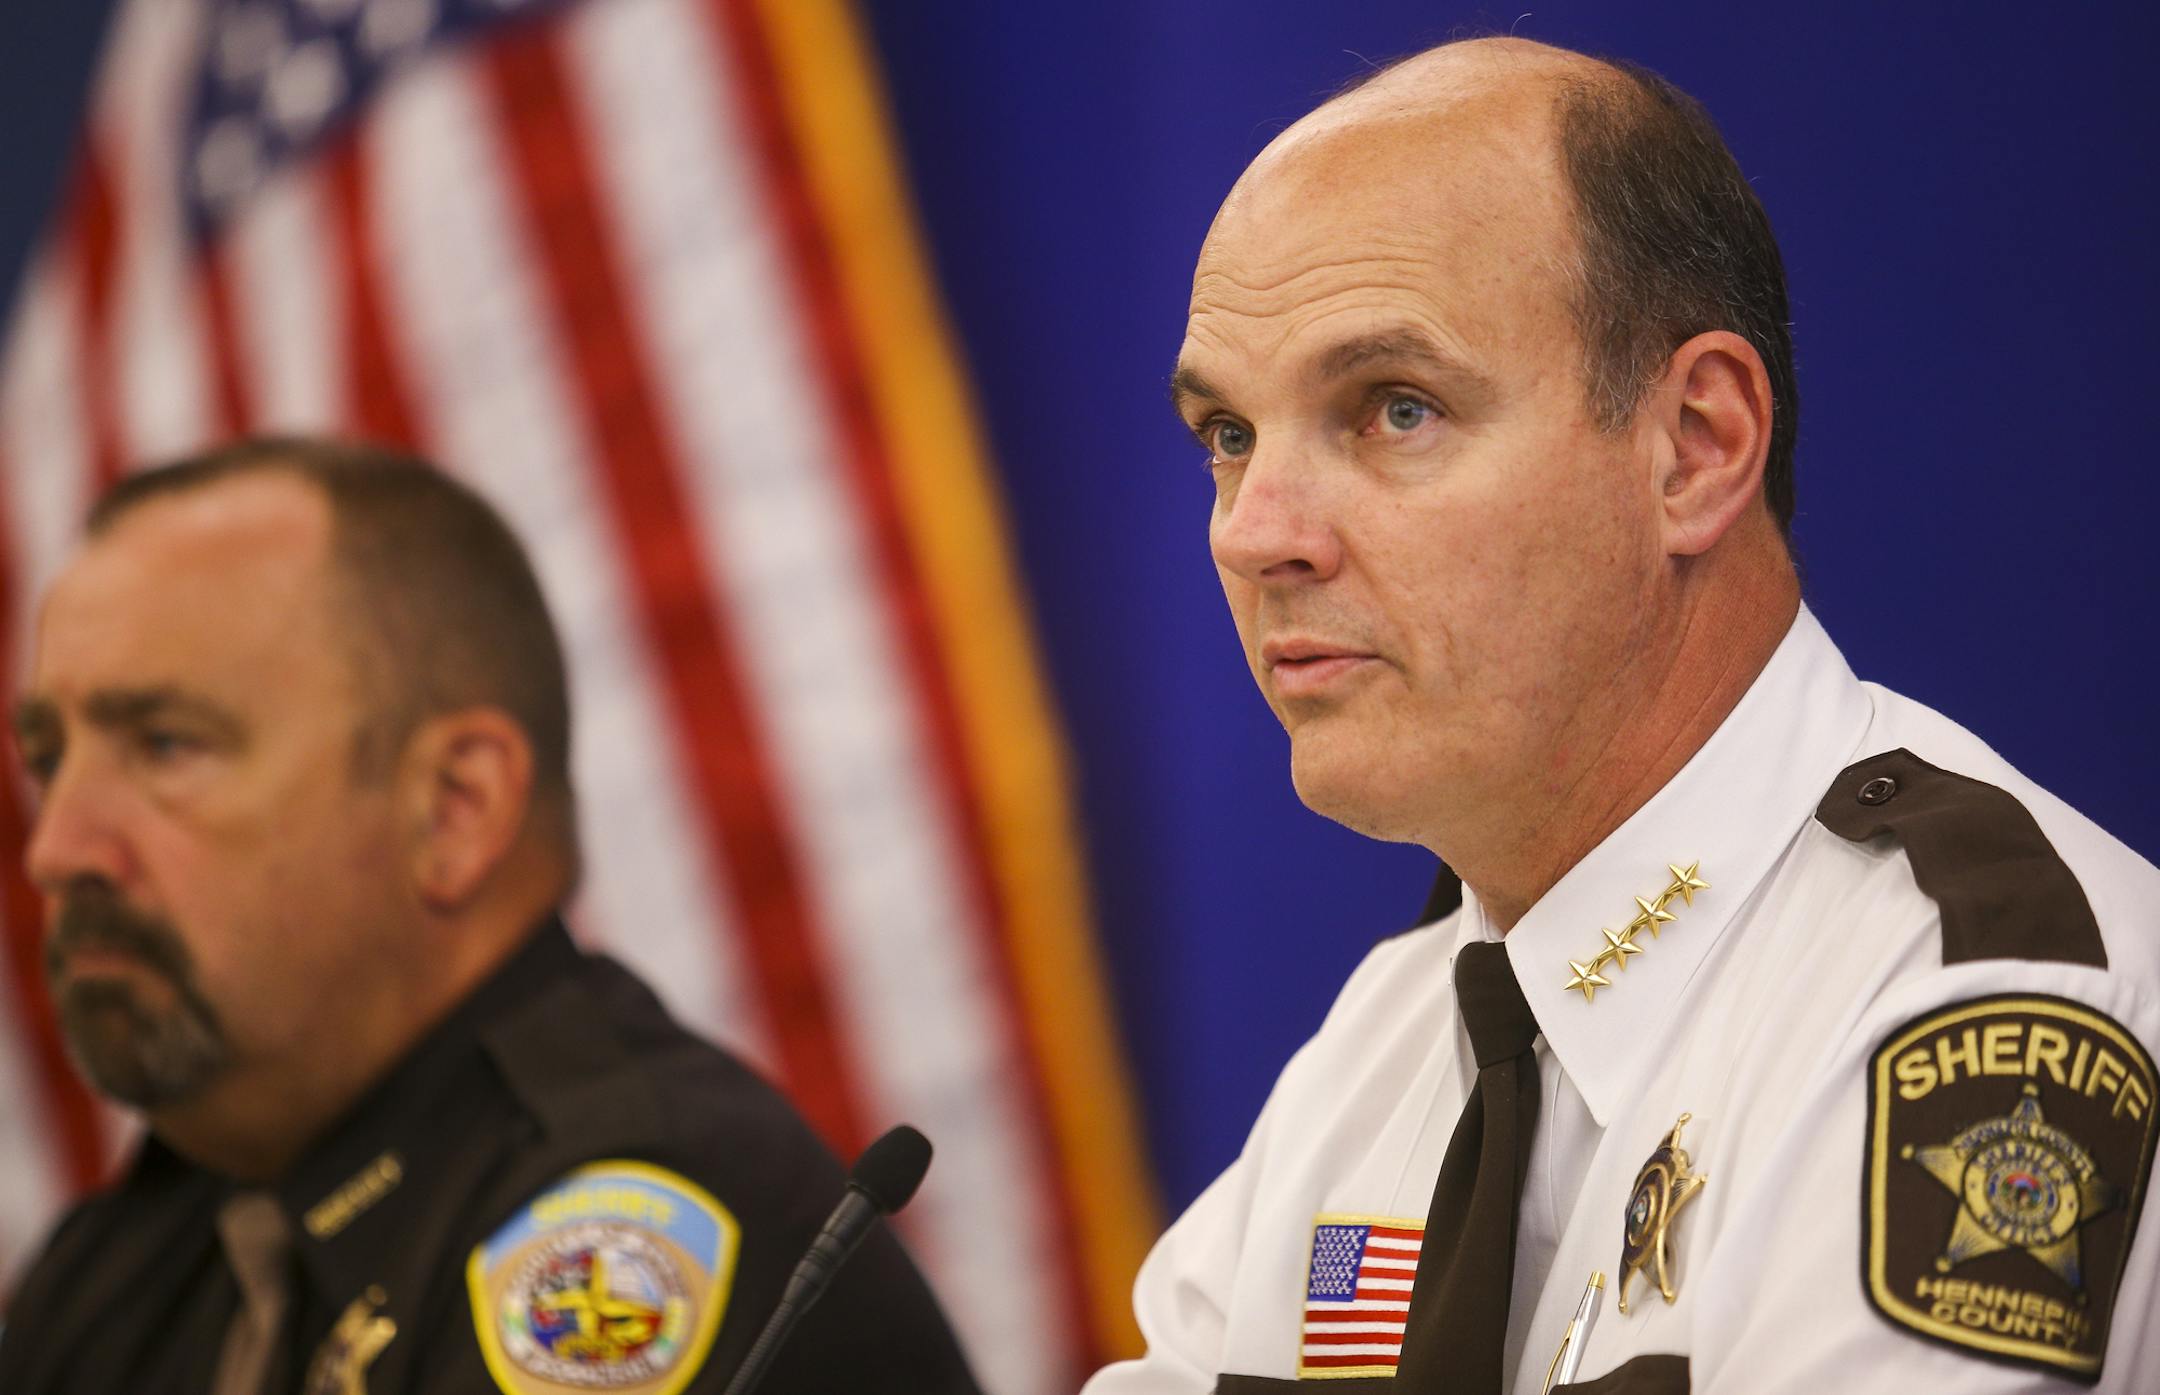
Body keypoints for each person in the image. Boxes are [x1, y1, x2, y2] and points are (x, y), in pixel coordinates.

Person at [1085, 35, 2159, 1395]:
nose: (1256, 533)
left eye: (1393, 409)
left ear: (1695, 448)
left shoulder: (1978, 1008)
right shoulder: (1391, 1042)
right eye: (1228, 434)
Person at [0, 437, 981, 1395]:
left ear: (455, 810)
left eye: (168, 746)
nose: (58, 849)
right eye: (49, 761)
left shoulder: (617, 1241)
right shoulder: (130, 1260)